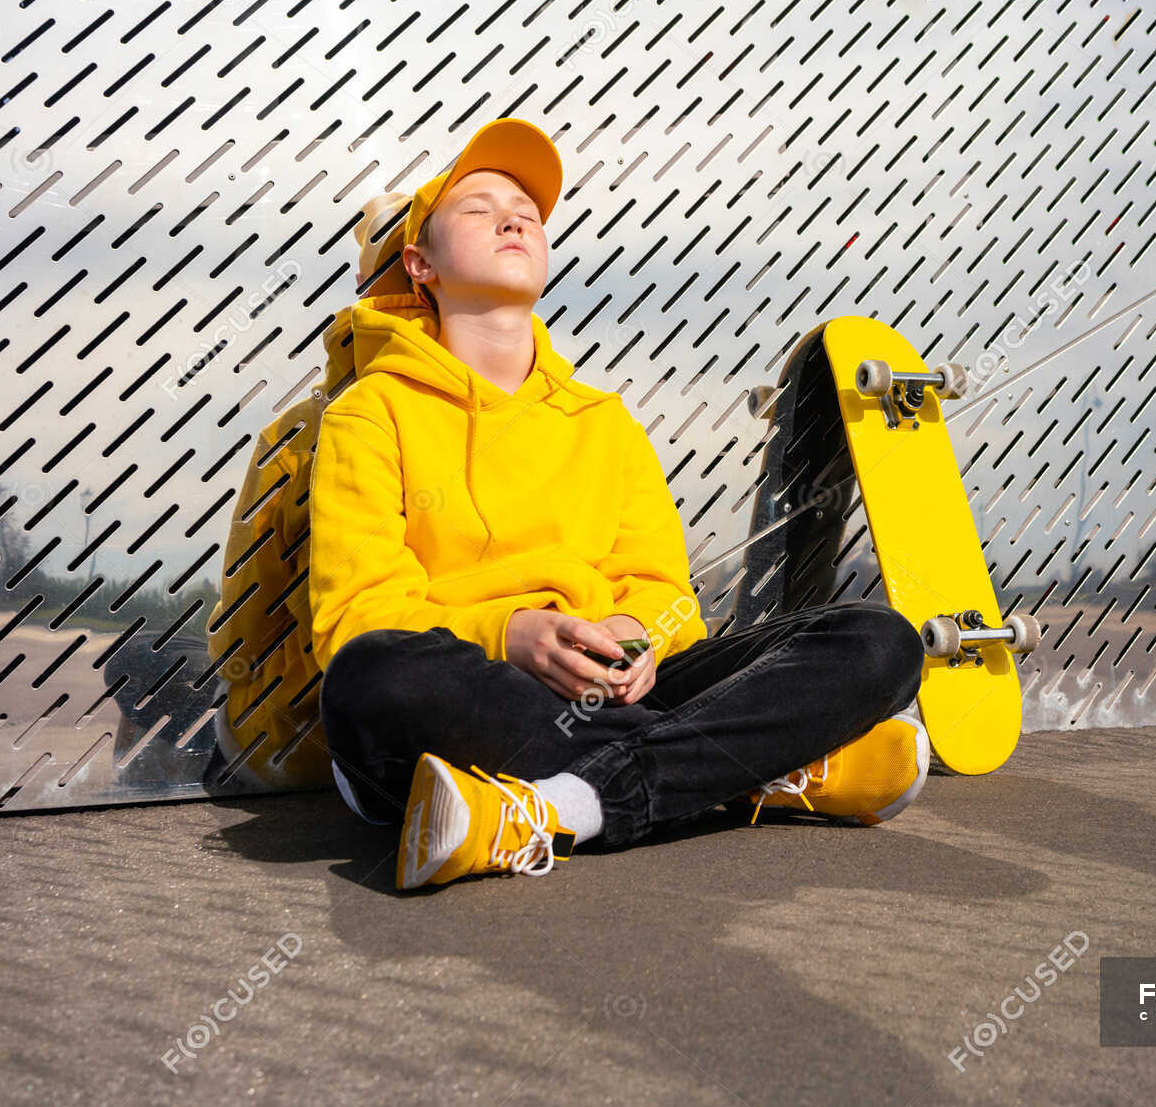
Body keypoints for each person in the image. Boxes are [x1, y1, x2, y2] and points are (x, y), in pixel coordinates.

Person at [308, 117, 929, 891]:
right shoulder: (371, 412)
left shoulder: (603, 420)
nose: (514, 217)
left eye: (528, 213)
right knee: (372, 678)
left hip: (608, 692)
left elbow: (669, 596)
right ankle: (748, 769)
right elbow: (354, 618)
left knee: (877, 638)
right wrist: (512, 633)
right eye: (478, 207)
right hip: (476, 692)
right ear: (420, 264)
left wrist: (636, 636)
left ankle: (556, 808)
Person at [204, 191, 419, 791]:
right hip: (463, 752)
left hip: (297, 742)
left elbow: (248, 608)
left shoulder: (304, 428)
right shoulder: (518, 416)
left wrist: (234, 665)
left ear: (362, 280)